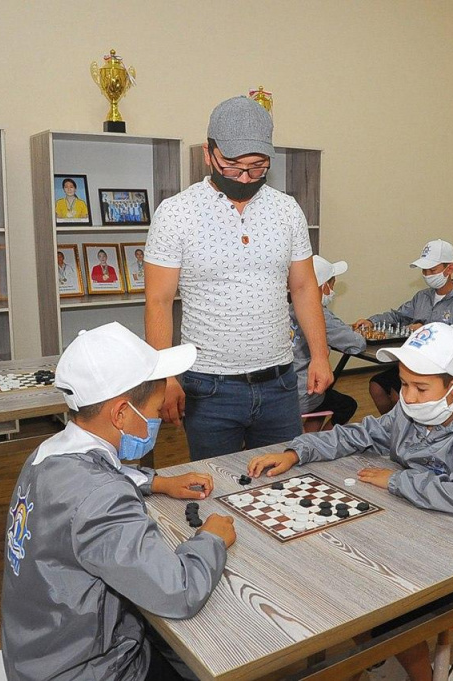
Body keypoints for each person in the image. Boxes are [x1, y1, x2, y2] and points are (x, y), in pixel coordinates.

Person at [247, 321, 453, 681]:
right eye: (403, 384)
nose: (406, 397)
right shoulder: (405, 414)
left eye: (420, 388)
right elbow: (356, 436)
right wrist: (297, 451)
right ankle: (381, 655)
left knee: (378, 606)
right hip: (403, 536)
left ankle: (413, 668)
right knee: (341, 577)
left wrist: (397, 480)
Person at [1, 322, 235, 681]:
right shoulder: (101, 497)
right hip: (92, 669)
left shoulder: (44, 457)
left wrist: (159, 482)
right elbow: (178, 591)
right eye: (156, 410)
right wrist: (212, 538)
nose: (159, 420)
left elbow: (98, 478)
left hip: (36, 652)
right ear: (122, 413)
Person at [144, 95, 332, 460]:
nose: (244, 177)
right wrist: (164, 378)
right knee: (219, 489)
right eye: (232, 166)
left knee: (284, 487)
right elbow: (159, 301)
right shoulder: (176, 213)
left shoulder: (286, 209)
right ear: (207, 153)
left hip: (279, 383)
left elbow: (305, 287)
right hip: (208, 388)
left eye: (257, 167)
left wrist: (320, 356)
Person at [355, 239, 453, 414]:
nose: (427, 275)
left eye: (432, 270)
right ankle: (394, 428)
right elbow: (398, 316)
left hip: (440, 367)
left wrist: (426, 330)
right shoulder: (422, 297)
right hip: (414, 363)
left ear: (449, 269)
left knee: (400, 395)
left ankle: (408, 429)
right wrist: (372, 321)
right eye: (424, 271)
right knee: (376, 387)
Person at [290, 255, 366, 431]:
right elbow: (357, 344)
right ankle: (322, 439)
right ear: (323, 287)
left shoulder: (289, 309)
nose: (332, 291)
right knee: (346, 404)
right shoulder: (320, 315)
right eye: (331, 286)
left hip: (283, 392)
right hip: (303, 394)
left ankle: (311, 437)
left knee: (326, 395)